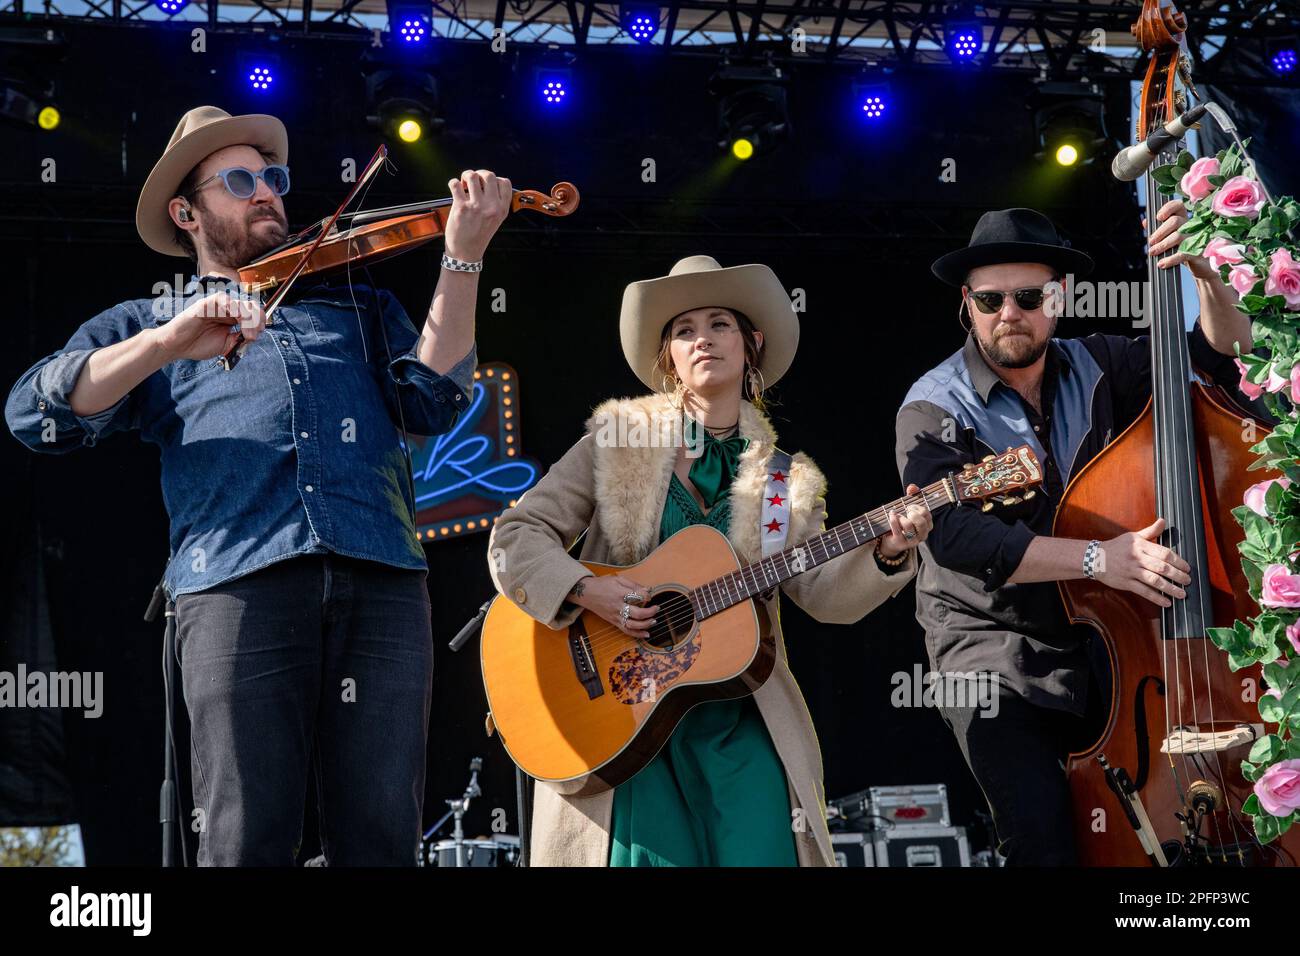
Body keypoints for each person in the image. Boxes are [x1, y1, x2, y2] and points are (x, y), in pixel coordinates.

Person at [5, 105, 511, 865]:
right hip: (236, 585)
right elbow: (34, 410)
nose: (268, 192)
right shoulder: (151, 320)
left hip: (382, 580)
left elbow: (431, 401)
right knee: (245, 834)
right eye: (239, 181)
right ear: (188, 211)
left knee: (382, 836)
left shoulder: (359, 310)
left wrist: (462, 255)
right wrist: (167, 343)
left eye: (273, 177)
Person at [488, 254, 933, 866]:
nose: (702, 339)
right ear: (667, 357)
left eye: (719, 323)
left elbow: (824, 596)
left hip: (739, 717)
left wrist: (886, 551)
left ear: (751, 344)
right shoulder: (616, 446)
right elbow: (516, 536)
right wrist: (589, 592)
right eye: (684, 329)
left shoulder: (784, 483)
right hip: (624, 713)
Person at [894, 204, 1256, 865]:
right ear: (966, 306)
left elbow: (1216, 355)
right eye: (990, 299)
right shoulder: (932, 407)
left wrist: (1207, 275)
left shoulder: (1101, 363)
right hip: (991, 651)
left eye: (1029, 297)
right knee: (1042, 839)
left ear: (1057, 301)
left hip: (1106, 642)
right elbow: (958, 541)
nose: (1010, 312)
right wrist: (1099, 559)